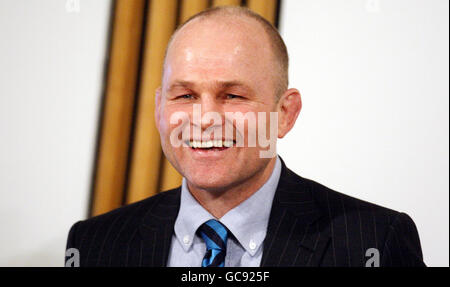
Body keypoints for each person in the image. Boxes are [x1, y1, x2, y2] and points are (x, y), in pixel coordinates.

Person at [66, 6, 425, 267]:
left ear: (285, 114)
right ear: (160, 109)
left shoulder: (372, 242)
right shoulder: (96, 244)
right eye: (185, 96)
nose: (205, 119)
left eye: (233, 96)